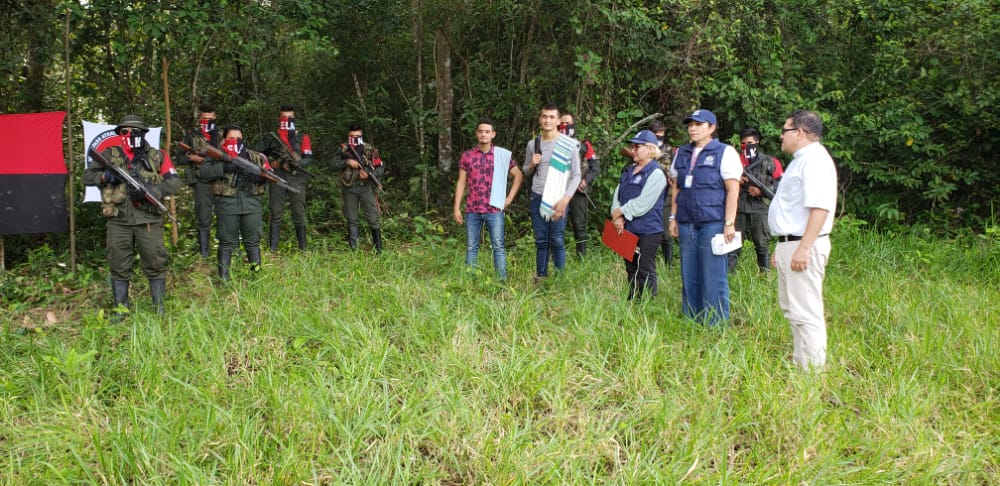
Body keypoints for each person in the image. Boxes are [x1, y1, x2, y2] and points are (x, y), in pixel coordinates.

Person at [82, 115, 182, 316]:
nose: (128, 135)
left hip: (149, 220)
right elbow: (86, 177)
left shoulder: (157, 156)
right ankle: (121, 312)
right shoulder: (109, 154)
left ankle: (159, 309)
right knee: (118, 264)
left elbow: (174, 182)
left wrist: (155, 192)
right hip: (118, 219)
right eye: (124, 132)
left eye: (133, 131)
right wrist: (104, 176)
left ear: (142, 134)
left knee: (155, 262)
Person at [769, 109, 837, 371]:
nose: (781, 136)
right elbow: (793, 210)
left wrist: (803, 247)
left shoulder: (815, 161)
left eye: (785, 130)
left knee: (806, 311)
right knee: (793, 309)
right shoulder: (800, 160)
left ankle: (811, 373)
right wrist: (782, 246)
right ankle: (802, 363)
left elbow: (819, 208)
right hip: (792, 243)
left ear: (799, 132)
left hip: (803, 244)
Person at [667, 109, 742, 326]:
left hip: (713, 222)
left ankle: (716, 323)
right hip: (686, 221)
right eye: (690, 124)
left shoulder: (724, 152)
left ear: (711, 128)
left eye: (699, 124)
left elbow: (733, 190)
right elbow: (677, 187)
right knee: (689, 273)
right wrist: (673, 217)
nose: (693, 128)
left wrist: (729, 223)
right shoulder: (681, 153)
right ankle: (692, 319)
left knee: (713, 274)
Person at [452, 118, 524, 281]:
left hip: (494, 209)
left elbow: (518, 175)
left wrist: (510, 198)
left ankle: (501, 282)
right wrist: (456, 207)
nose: (483, 134)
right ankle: (471, 281)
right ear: (477, 134)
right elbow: (461, 181)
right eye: (480, 131)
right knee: (471, 247)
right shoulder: (467, 156)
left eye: (487, 131)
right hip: (473, 209)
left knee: (498, 246)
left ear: (493, 134)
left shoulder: (501, 156)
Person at [199, 125, 270, 282]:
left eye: (239, 139)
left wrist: (259, 177)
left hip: (251, 204)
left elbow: (268, 174)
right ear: (224, 139)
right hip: (227, 204)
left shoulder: (254, 156)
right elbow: (203, 173)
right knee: (226, 242)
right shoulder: (216, 155)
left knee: (252, 241)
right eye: (231, 138)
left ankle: (256, 277)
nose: (235, 141)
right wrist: (224, 167)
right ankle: (224, 281)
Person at [522, 103, 582, 282]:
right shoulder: (533, 144)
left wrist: (565, 199)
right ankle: (541, 278)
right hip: (537, 196)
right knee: (541, 240)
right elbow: (526, 171)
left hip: (559, 198)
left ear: (558, 121)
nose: (547, 120)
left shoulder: (569, 145)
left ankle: (559, 280)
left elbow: (577, 175)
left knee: (557, 239)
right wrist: (532, 164)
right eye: (544, 116)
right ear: (540, 119)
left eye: (551, 117)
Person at [610, 130, 667, 300]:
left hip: (648, 230)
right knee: (630, 267)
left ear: (650, 149)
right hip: (628, 227)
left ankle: (648, 302)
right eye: (632, 146)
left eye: (637, 146)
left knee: (645, 268)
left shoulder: (656, 174)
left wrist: (620, 212)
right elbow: (617, 194)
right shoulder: (629, 170)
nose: (633, 150)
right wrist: (616, 216)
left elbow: (642, 204)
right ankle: (633, 299)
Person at [255, 105, 313, 251]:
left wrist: (297, 163)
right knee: (275, 212)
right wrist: (270, 163)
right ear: (279, 118)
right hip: (277, 176)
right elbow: (256, 154)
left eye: (290, 118)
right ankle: (273, 249)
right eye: (284, 118)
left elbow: (309, 158)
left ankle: (303, 249)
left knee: (299, 213)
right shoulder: (271, 137)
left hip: (297, 178)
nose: (287, 121)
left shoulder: (302, 137)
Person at [728, 127, 783, 273]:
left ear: (757, 142)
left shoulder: (770, 162)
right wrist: (735, 181)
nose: (747, 146)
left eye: (750, 142)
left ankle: (765, 276)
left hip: (760, 207)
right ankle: (729, 276)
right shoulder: (734, 162)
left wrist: (761, 191)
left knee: (761, 244)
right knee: (733, 244)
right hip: (738, 207)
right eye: (744, 143)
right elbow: (721, 181)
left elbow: (781, 183)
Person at [175, 104, 222, 258]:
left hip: (222, 180)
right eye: (204, 119)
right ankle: (204, 254)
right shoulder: (192, 137)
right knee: (203, 217)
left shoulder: (221, 136)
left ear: (215, 118)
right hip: (202, 182)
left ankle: (226, 249)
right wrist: (191, 157)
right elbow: (179, 158)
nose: (208, 122)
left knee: (226, 214)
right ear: (199, 119)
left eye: (211, 119)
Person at [332, 123, 385, 252]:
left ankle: (379, 250)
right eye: (352, 136)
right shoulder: (343, 149)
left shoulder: (370, 149)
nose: (355, 139)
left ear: (361, 135)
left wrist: (368, 175)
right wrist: (347, 162)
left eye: (358, 136)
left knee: (373, 218)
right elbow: (333, 165)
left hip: (366, 188)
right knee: (351, 219)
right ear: (349, 136)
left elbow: (380, 167)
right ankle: (354, 250)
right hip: (349, 188)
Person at [558, 113, 600, 258]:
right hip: (558, 191)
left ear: (574, 125)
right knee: (557, 226)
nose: (564, 126)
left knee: (579, 226)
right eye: (562, 123)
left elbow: (594, 167)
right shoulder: (552, 143)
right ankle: (556, 257)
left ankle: (581, 259)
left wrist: (585, 180)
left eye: (568, 123)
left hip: (577, 192)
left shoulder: (583, 145)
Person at [649, 119, 676, 267]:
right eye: (656, 136)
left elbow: (674, 172)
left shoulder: (670, 150)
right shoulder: (642, 149)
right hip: (648, 195)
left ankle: (669, 265)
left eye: (661, 135)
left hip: (666, 194)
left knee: (666, 233)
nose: (659, 139)